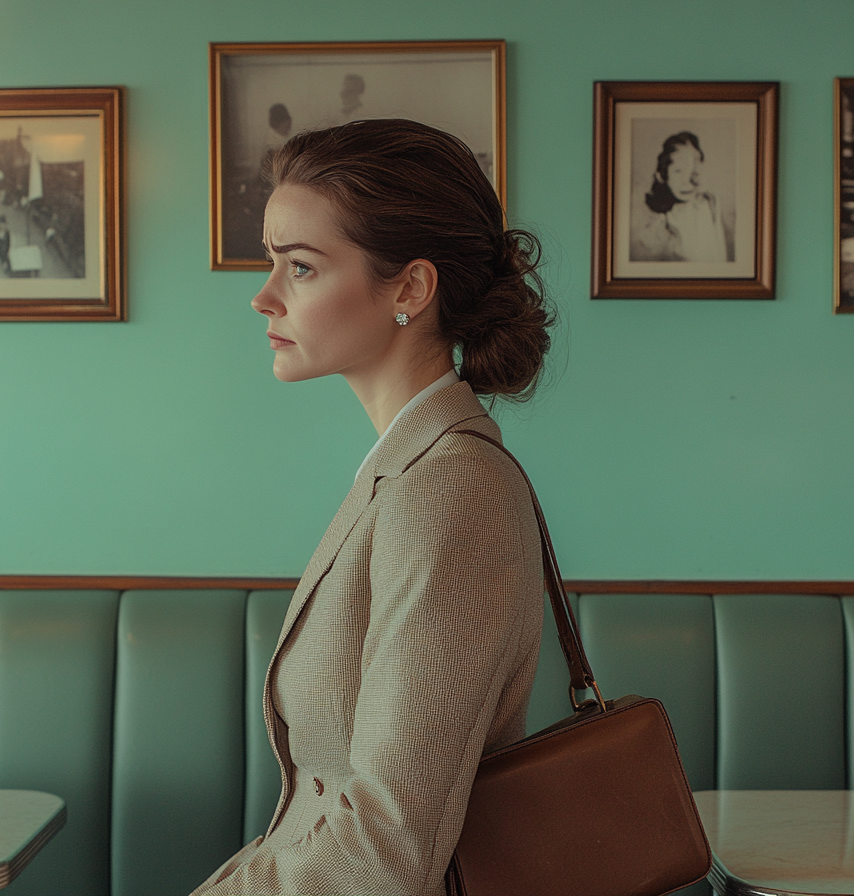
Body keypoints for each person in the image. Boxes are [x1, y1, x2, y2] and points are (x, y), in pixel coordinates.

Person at [191, 119, 552, 896]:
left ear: (411, 289)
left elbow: (386, 846)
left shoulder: (449, 490)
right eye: (273, 263)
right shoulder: (405, 469)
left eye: (302, 268)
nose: (264, 296)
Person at [631, 130, 733, 262]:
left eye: (693, 170)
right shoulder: (659, 223)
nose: (687, 180)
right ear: (662, 176)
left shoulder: (709, 204)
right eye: (678, 171)